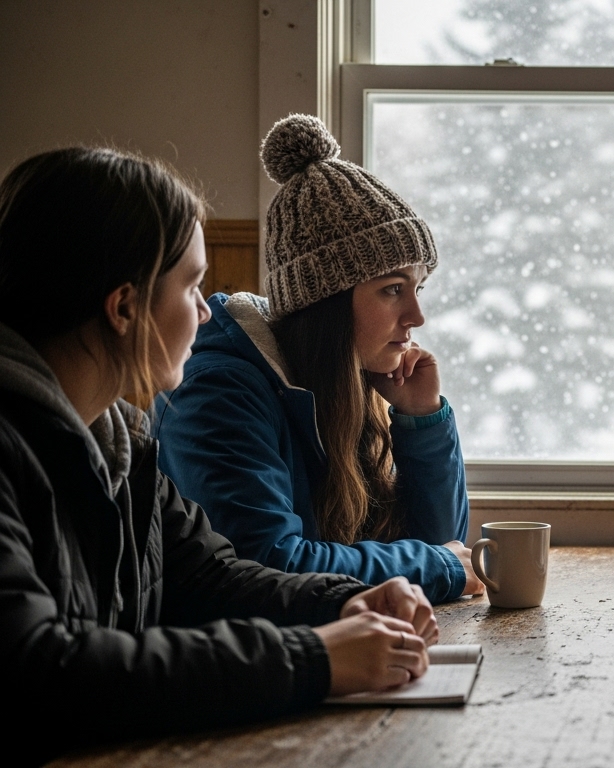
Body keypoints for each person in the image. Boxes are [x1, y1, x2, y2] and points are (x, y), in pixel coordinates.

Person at [0, 146, 442, 767]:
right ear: (125, 307)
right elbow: (42, 673)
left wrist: (342, 602)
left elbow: (212, 577)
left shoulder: (119, 441)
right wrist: (315, 659)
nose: (207, 311)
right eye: (192, 286)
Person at [154, 115, 481, 605]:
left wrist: (422, 421)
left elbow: (444, 546)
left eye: (418, 288)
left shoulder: (344, 382)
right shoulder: (219, 393)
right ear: (325, 303)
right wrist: (437, 568)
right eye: (393, 289)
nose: (417, 315)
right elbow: (270, 564)